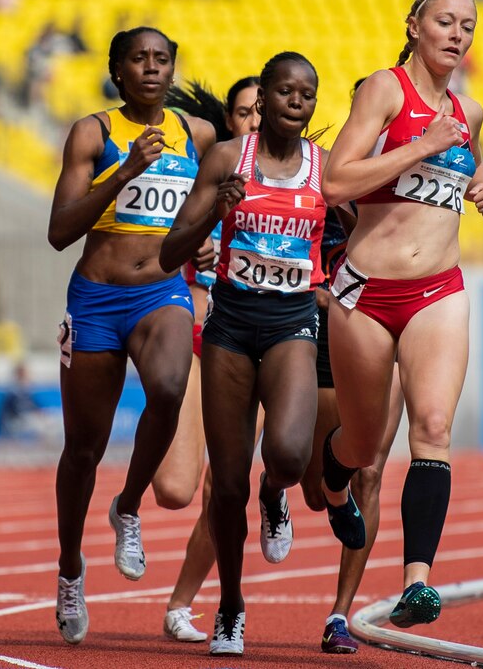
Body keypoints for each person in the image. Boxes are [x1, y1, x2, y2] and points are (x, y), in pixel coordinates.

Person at [319, 0, 483, 631]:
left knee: (431, 424)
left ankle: (417, 582)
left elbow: (466, 157)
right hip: (367, 294)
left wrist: (480, 185)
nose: (457, 34)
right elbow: (335, 180)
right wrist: (423, 144)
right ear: (415, 25)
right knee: (365, 443)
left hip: (438, 291)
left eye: (468, 26)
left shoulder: (468, 110)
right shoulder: (384, 90)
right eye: (445, 21)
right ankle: (333, 475)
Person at [46, 26, 216, 646]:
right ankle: (69, 568)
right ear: (117, 71)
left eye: (162, 59)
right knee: (82, 449)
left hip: (161, 291)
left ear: (173, 70)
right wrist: (123, 173)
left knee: (170, 387)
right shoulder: (94, 132)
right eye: (138, 59)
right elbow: (60, 230)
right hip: (95, 298)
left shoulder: (197, 136)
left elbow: (210, 211)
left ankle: (129, 506)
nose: (151, 67)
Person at [161, 51, 327, 657]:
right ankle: (230, 603)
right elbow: (170, 249)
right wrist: (213, 209)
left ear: (313, 104)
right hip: (230, 327)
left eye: (304, 95)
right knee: (224, 487)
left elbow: (360, 233)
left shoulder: (325, 170)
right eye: (281, 92)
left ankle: (275, 492)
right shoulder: (230, 159)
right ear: (261, 106)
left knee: (285, 454)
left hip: (290, 324)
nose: (292, 102)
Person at [152, 75, 262, 643]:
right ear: (232, 120)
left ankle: (182, 605)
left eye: (264, 110)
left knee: (229, 487)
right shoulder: (208, 173)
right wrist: (197, 234)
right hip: (201, 336)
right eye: (245, 111)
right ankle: (129, 503)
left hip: (263, 339)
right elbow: (160, 240)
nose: (257, 120)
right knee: (174, 489)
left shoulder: (304, 177)